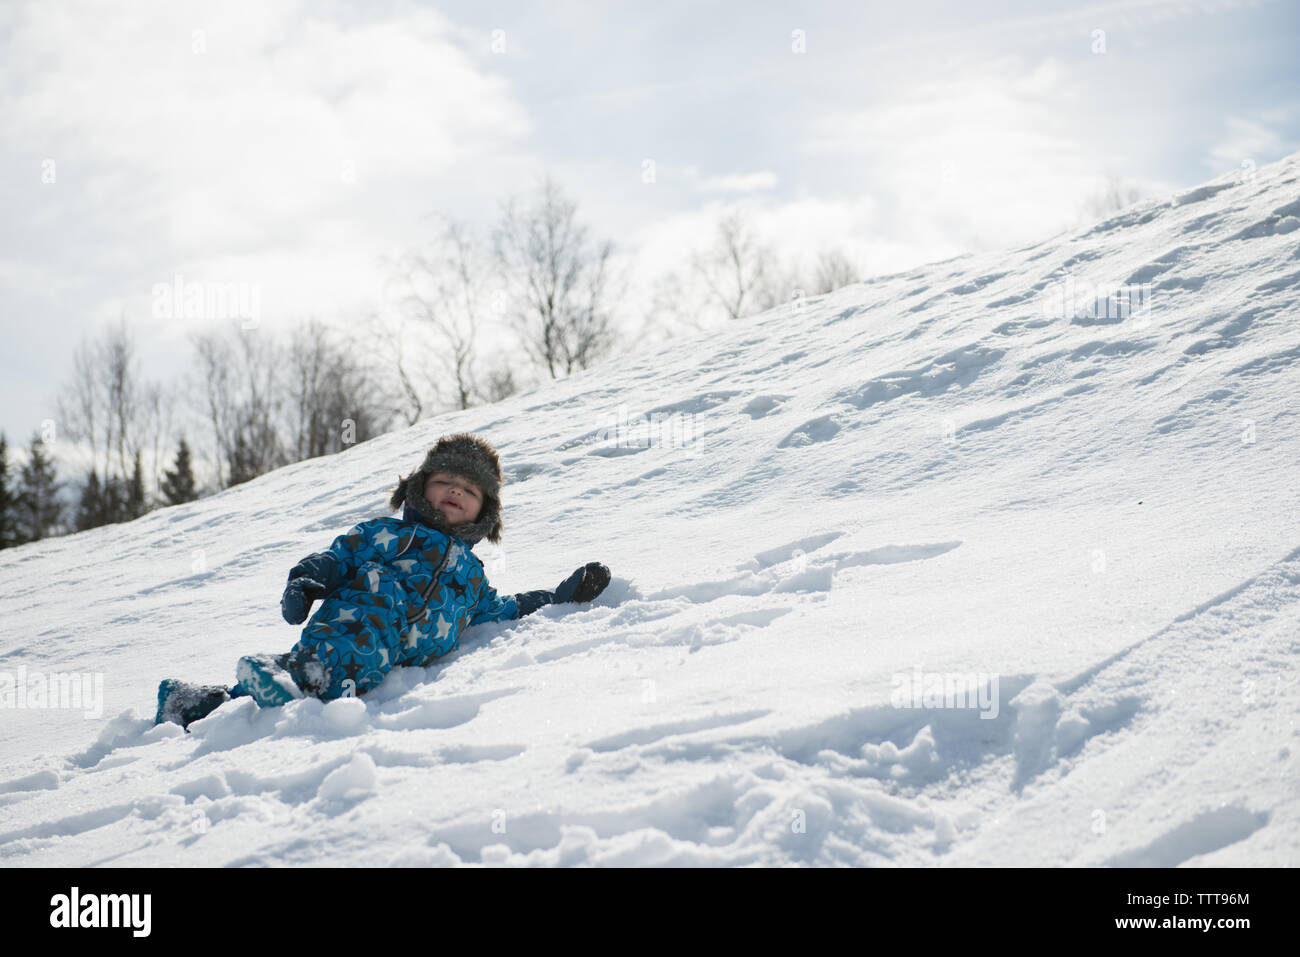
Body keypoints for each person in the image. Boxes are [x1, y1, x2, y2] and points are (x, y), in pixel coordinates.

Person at [155, 433, 611, 729]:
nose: (456, 491)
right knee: (357, 634)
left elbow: (504, 610)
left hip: (386, 652)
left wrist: (559, 596)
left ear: (484, 513)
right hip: (355, 618)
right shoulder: (386, 533)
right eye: (446, 481)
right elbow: (338, 558)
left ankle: (194, 702)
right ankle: (298, 683)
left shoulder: (471, 578)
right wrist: (307, 580)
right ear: (420, 487)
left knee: (340, 660)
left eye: (470, 491)